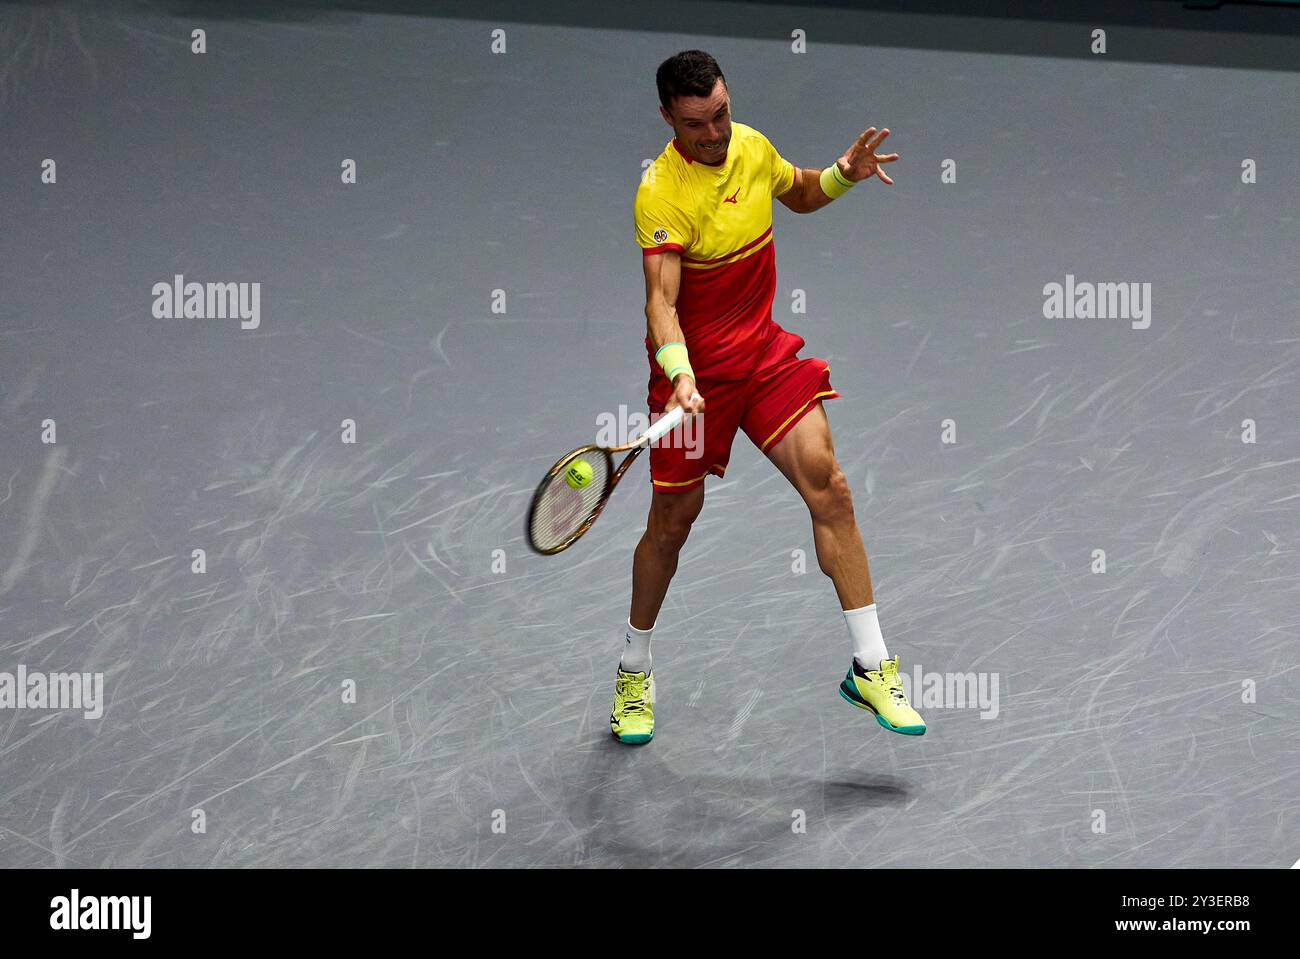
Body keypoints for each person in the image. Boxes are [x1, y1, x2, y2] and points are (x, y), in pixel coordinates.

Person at [611, 50, 925, 744]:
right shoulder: (660, 192)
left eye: (720, 113)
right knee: (673, 521)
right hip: (691, 381)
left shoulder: (751, 145)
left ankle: (871, 664)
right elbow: (660, 303)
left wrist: (844, 174)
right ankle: (634, 665)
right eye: (697, 124)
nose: (716, 133)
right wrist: (681, 371)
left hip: (760, 359)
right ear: (668, 118)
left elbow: (801, 192)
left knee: (831, 486)